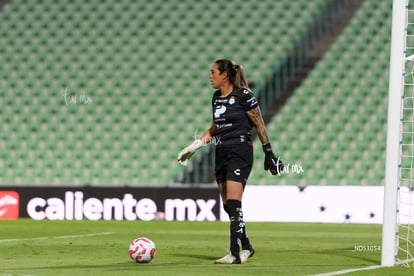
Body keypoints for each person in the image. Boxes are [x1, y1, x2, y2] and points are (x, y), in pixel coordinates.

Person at [177, 59, 283, 264]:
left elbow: (259, 123)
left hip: (240, 151)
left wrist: (268, 152)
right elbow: (215, 128)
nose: (210, 76)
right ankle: (248, 247)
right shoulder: (216, 98)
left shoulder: (244, 96)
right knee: (228, 206)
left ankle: (235, 253)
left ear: (224, 75)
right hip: (221, 151)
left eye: (213, 72)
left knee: (235, 203)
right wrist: (194, 146)